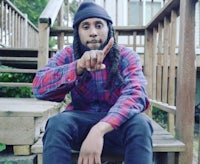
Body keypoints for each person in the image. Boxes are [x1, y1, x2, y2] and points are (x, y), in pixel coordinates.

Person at [32, 1, 153, 164]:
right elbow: (39, 87)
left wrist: (100, 129)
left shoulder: (127, 56)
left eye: (99, 25)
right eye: (86, 26)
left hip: (117, 126)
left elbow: (136, 93)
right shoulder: (68, 55)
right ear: (78, 32)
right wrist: (77, 67)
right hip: (80, 123)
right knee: (57, 123)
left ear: (109, 29)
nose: (93, 32)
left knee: (141, 123)